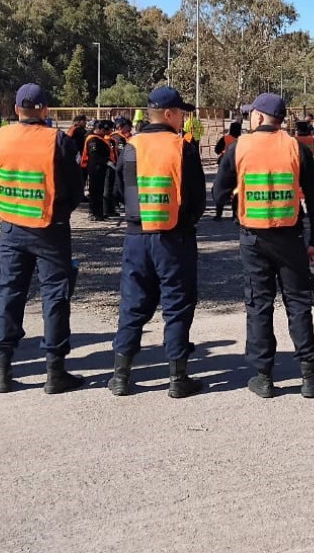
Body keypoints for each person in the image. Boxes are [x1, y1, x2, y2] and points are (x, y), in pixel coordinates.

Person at [213, 93, 314, 399]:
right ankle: (310, 374)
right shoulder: (295, 147)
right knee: (298, 303)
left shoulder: (239, 147)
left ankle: (263, 376)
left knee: (258, 303)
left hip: (252, 238)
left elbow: (218, 192)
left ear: (257, 117)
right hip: (290, 238)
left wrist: (232, 198)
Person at [110, 86, 208, 398]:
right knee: (177, 304)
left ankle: (120, 377)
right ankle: (178, 378)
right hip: (173, 238)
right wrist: (184, 224)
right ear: (168, 114)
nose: (183, 119)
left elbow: (118, 194)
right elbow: (197, 200)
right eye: (181, 113)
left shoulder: (130, 148)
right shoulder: (183, 148)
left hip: (137, 238)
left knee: (133, 303)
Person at [0, 84, 86, 395]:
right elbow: (74, 188)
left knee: (10, 294)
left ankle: (3, 370)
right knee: (54, 295)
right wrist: (61, 212)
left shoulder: (1, 137)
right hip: (50, 228)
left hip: (12, 227)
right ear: (45, 109)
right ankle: (55, 372)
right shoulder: (57, 140)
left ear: (17, 109)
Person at [82, 120, 113, 220]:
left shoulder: (101, 138)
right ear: (98, 129)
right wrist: (106, 161)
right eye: (104, 130)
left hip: (101, 167)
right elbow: (94, 155)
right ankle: (93, 212)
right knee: (94, 190)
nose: (106, 132)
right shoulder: (93, 140)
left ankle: (99, 212)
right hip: (95, 168)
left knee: (100, 191)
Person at [213, 121, 242, 221]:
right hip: (236, 167)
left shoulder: (225, 138)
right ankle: (235, 214)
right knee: (235, 190)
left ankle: (218, 214)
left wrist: (223, 152)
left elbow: (216, 150)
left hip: (223, 165)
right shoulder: (240, 141)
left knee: (220, 187)